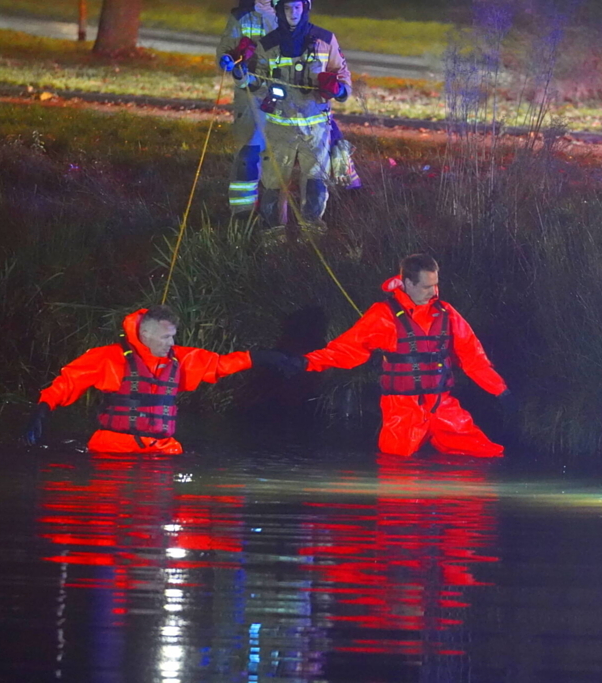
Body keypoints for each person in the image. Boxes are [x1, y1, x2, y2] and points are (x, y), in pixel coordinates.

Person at [275, 254, 516, 457]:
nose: (433, 292)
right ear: (407, 283)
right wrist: (306, 362)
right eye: (426, 286)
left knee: (486, 454)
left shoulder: (446, 314)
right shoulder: (384, 316)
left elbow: (473, 357)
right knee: (397, 471)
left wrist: (501, 391)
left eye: (435, 285)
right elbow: (346, 349)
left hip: (442, 406)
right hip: (402, 410)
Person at [23, 306, 287, 454]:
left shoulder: (179, 359)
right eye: (165, 337)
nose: (171, 343)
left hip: (163, 451)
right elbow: (69, 381)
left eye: (173, 336)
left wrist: (260, 357)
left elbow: (220, 364)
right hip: (113, 451)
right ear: (146, 335)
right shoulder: (109, 358)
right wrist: (42, 408)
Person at [239, 0, 351, 229]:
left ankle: (311, 234)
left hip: (316, 129)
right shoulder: (268, 44)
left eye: (298, 7)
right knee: (273, 183)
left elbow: (342, 74)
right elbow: (258, 80)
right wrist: (242, 76)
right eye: (288, 8)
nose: (293, 13)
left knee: (315, 182)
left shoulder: (325, 39)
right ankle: (273, 236)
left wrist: (338, 89)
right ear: (280, 10)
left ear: (306, 8)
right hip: (279, 127)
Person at [217, 0, 277, 218]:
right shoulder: (242, 16)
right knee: (247, 155)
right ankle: (242, 215)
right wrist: (227, 59)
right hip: (249, 95)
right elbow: (226, 48)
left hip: (283, 97)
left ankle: (274, 218)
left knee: (280, 159)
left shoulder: (291, 10)